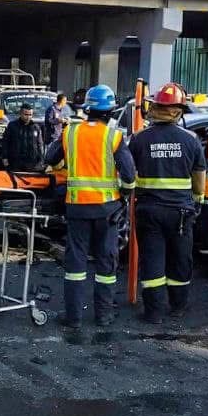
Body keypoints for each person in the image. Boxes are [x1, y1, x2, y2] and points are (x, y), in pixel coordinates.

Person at [44, 84, 136, 328]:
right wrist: (125, 195)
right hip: (107, 210)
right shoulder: (114, 137)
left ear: (86, 109)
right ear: (110, 111)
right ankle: (104, 316)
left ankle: (73, 318)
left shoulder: (70, 133)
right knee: (106, 263)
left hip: (77, 208)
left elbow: (49, 159)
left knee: (75, 264)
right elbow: (129, 176)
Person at [128, 82, 207, 325]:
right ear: (178, 110)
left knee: (152, 258)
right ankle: (178, 307)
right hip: (181, 211)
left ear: (157, 107)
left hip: (148, 210)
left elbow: (129, 173)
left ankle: (153, 312)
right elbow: (199, 176)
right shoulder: (191, 139)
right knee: (180, 258)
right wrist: (198, 202)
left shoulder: (139, 139)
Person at [1, 103, 46, 172]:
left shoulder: (36, 127)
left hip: (32, 164)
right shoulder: (12, 126)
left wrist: (41, 160)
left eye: (30, 115)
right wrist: (5, 157)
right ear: (20, 114)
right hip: (15, 163)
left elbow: (40, 145)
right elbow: (5, 142)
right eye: (26, 114)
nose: (28, 117)